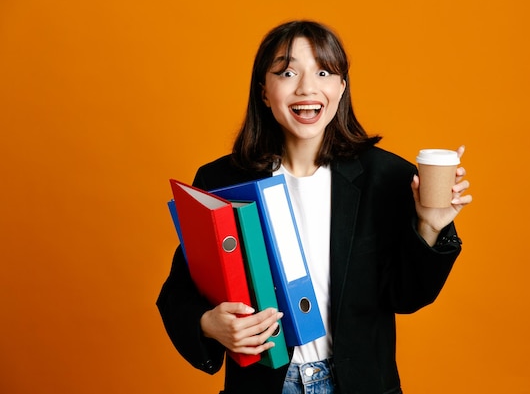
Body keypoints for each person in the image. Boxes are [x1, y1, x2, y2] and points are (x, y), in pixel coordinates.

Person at [157, 20, 472, 394]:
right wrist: (209, 323)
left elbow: (406, 296)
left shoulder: (387, 177)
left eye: (323, 72)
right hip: (264, 385)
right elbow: (179, 292)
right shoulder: (220, 181)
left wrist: (430, 227)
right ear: (263, 91)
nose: (306, 87)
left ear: (341, 87)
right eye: (287, 72)